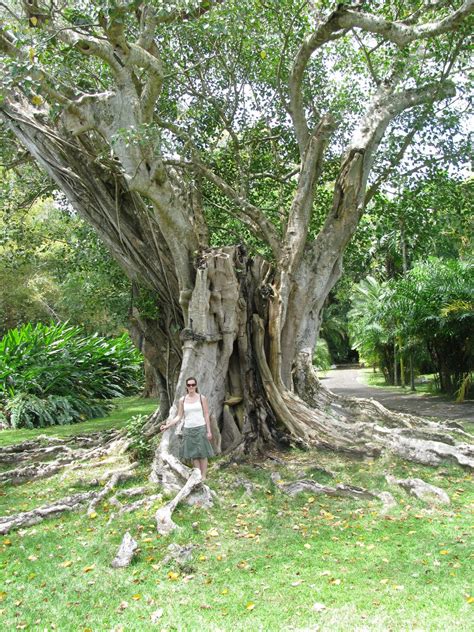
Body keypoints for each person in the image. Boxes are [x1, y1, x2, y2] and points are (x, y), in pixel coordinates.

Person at [160, 377, 214, 480]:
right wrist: (167, 426)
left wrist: (209, 430)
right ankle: (198, 475)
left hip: (200, 427)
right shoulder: (182, 400)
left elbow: (206, 414)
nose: (191, 387)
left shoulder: (201, 398)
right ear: (186, 386)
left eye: (193, 385)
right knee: (193, 454)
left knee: (202, 453)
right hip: (188, 429)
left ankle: (204, 476)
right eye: (189, 385)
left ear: (196, 386)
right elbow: (179, 416)